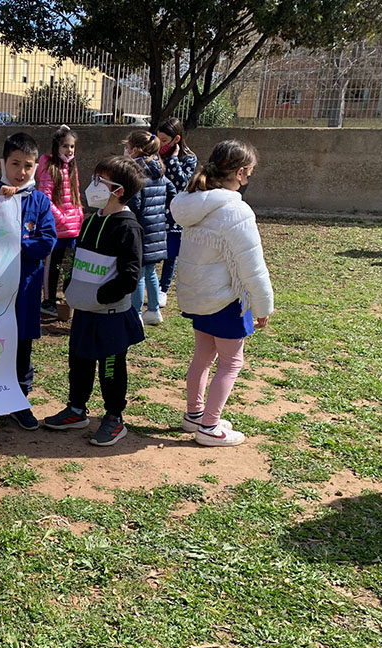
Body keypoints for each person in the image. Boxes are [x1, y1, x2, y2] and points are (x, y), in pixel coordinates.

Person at [171, 140, 274, 447]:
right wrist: (263, 305)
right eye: (249, 172)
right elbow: (252, 265)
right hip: (227, 301)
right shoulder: (235, 209)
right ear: (241, 173)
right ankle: (209, 427)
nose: (249, 177)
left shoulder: (193, 202)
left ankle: (195, 415)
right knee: (231, 362)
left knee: (203, 356)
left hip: (199, 297)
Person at [43, 156, 147, 445]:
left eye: (100, 181)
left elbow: (129, 276)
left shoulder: (128, 228)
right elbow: (77, 260)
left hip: (111, 316)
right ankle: (77, 409)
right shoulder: (90, 222)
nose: (93, 185)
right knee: (79, 361)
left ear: (119, 190)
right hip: (85, 314)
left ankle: (114, 417)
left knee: (111, 369)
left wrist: (100, 297)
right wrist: (70, 286)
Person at [0, 132, 57, 430]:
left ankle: (19, 400)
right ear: (2, 163)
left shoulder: (40, 202)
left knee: (22, 346)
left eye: (28, 166)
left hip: (26, 289)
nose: (21, 172)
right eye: (15, 164)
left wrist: (18, 243)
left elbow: (46, 241)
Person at [123, 130, 175, 326]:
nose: (126, 152)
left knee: (137, 274)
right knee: (150, 271)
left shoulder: (135, 171)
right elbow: (171, 191)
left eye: (127, 148)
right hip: (157, 231)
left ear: (135, 150)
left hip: (141, 231)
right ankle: (153, 310)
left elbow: (135, 203)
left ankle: (135, 312)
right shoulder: (159, 169)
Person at [37, 125, 84, 320]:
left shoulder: (72, 167)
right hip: (57, 228)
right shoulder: (50, 167)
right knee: (52, 265)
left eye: (72, 146)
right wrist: (61, 218)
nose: (69, 150)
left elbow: (76, 194)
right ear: (57, 146)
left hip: (73, 229)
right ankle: (48, 301)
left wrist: (79, 213)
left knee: (69, 266)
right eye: (65, 146)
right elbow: (45, 197)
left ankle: (68, 299)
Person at [157, 117, 197, 306]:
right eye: (159, 139)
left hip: (175, 212)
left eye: (164, 141)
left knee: (171, 252)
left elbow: (182, 183)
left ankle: (163, 288)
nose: (161, 144)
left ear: (176, 139)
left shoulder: (189, 158)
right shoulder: (154, 154)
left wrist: (172, 159)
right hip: (154, 209)